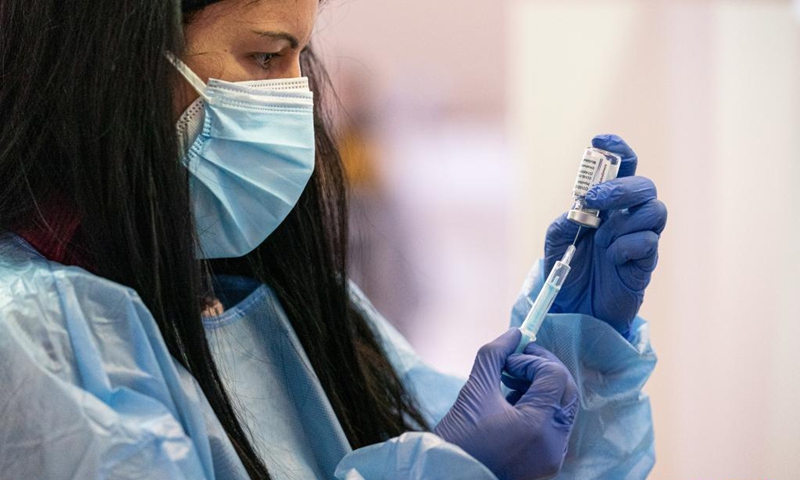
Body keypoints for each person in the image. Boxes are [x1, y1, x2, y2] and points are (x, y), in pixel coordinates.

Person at [0, 0, 667, 479]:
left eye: (299, 58)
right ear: (115, 63)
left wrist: (574, 360)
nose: (295, 98)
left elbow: (490, 451)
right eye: (265, 56)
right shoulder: (32, 333)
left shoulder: (272, 299)